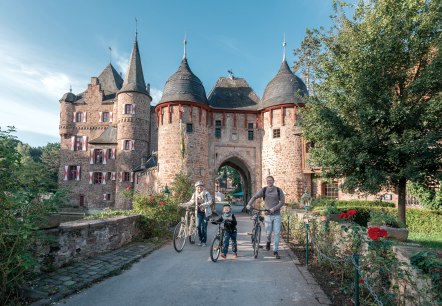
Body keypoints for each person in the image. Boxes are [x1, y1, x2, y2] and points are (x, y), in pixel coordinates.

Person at [246, 176, 285, 259]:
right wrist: (249, 204)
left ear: (273, 181)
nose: (269, 181)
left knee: (277, 233)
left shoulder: (278, 190)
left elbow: (282, 202)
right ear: (266, 182)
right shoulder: (264, 190)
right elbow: (254, 197)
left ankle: (275, 251)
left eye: (271, 180)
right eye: (268, 180)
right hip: (267, 215)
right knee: (268, 233)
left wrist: (274, 209)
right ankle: (268, 241)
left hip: (277, 215)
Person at [182, 181, 212, 246]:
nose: (199, 188)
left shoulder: (206, 193)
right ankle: (201, 240)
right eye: (198, 187)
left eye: (200, 187)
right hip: (198, 212)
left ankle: (204, 241)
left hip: (205, 213)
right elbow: (191, 201)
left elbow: (210, 201)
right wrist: (184, 204)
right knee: (198, 226)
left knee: (204, 227)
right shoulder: (195, 194)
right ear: (196, 188)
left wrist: (203, 204)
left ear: (203, 187)